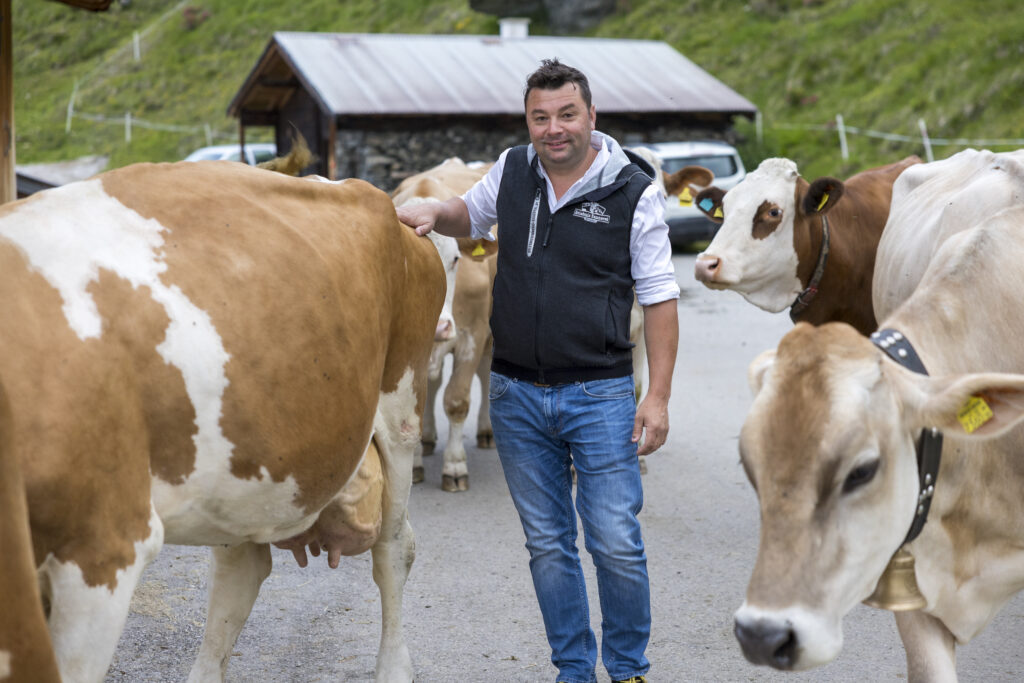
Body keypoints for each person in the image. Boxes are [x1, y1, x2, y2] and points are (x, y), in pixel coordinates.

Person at [396, 58, 678, 683]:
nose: (554, 129)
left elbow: (659, 296)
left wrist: (655, 396)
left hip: (600, 393)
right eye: (540, 117)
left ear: (591, 116)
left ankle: (628, 668)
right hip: (517, 395)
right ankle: (573, 670)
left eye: (566, 115)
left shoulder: (633, 189)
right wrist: (428, 215)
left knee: (614, 543)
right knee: (549, 547)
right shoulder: (513, 169)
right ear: (528, 121)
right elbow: (468, 215)